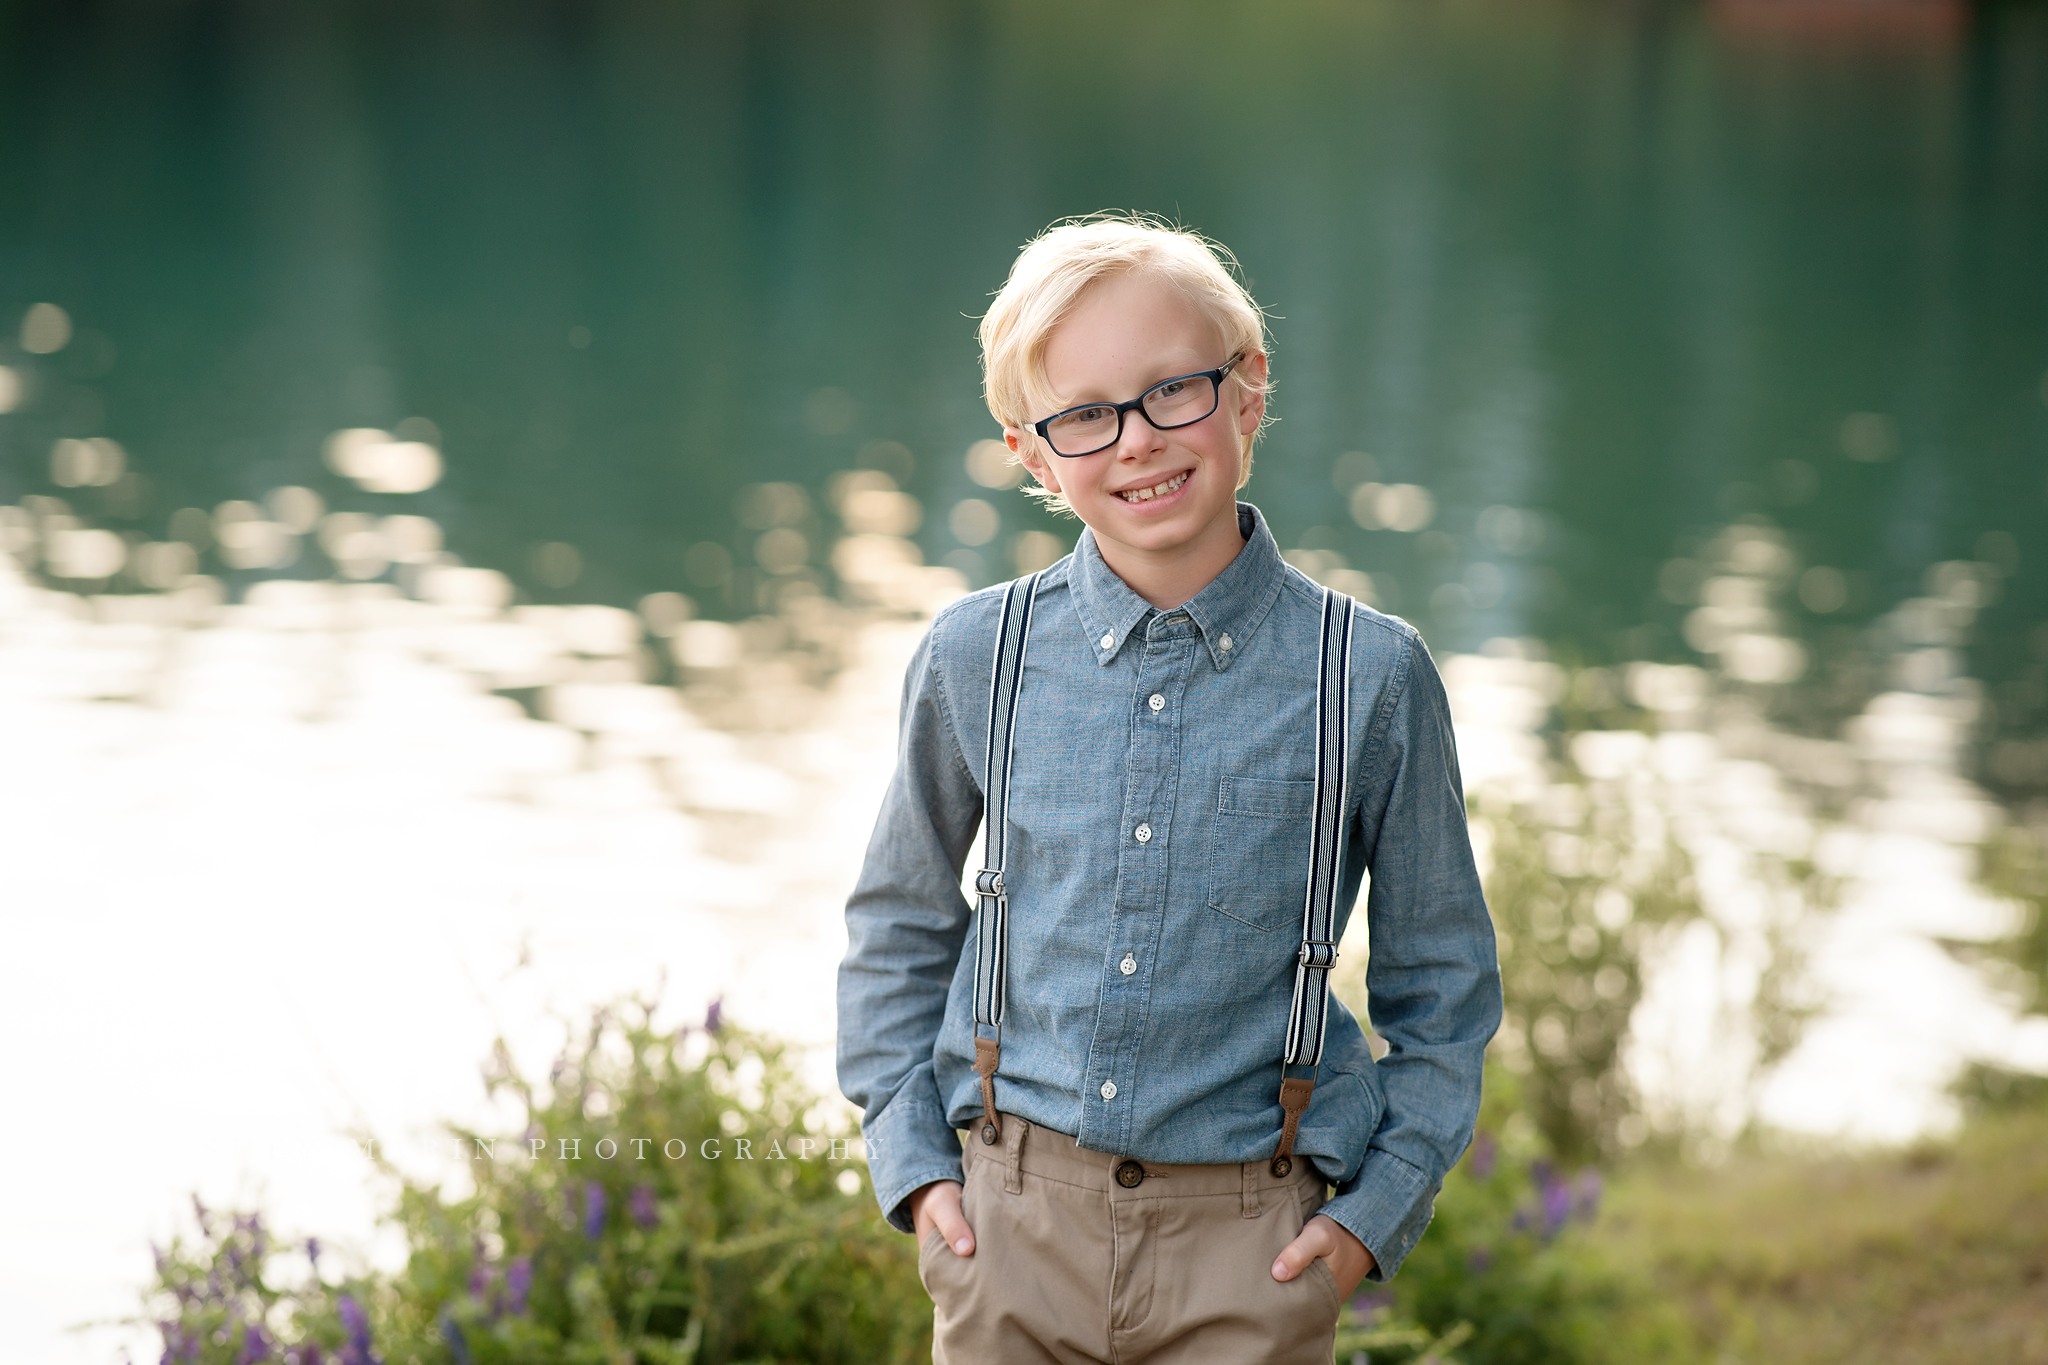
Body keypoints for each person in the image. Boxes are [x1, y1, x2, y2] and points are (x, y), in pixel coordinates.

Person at [837, 215, 1501, 1363]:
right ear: (1030, 453)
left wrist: (1369, 1214)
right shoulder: (973, 657)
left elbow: (1440, 986)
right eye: (1085, 415)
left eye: (1171, 393)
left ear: (1246, 391)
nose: (1136, 441)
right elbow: (897, 924)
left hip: (1253, 1242)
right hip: (1007, 1227)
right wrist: (914, 1169)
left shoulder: (1369, 678)